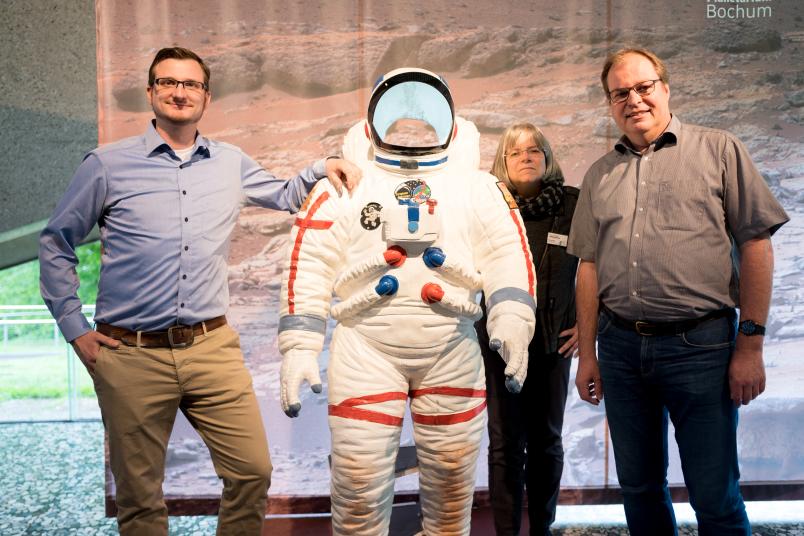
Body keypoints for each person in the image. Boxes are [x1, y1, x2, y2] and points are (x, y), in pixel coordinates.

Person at [38, 46, 360, 535]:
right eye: (167, 82)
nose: (179, 92)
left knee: (252, 472)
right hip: (130, 353)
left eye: (190, 84)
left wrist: (321, 167)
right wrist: (75, 328)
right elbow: (56, 240)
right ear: (151, 93)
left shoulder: (229, 162)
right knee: (141, 497)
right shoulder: (106, 165)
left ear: (205, 96)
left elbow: (284, 193)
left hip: (212, 348)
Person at [276, 67, 537, 535]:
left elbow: (507, 256)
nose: (412, 130)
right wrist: (298, 346)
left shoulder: (476, 187)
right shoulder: (345, 184)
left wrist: (514, 320)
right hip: (366, 350)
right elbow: (310, 261)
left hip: (450, 350)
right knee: (357, 487)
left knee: (452, 487)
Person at [568, 47, 789, 535]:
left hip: (702, 348)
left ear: (665, 89)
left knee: (714, 494)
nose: (634, 100)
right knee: (639, 489)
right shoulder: (600, 174)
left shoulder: (719, 150)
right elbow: (588, 267)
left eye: (644, 87)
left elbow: (756, 244)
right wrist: (588, 354)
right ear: (610, 104)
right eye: (620, 93)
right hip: (622, 350)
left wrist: (749, 345)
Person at [475, 123, 579, 535]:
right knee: (504, 444)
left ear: (548, 157)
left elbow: (603, 265)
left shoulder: (574, 205)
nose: (526, 157)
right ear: (502, 161)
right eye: (515, 152)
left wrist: (588, 323)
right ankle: (506, 531)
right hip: (499, 346)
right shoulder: (489, 209)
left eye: (535, 150)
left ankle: (542, 529)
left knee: (547, 441)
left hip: (555, 343)